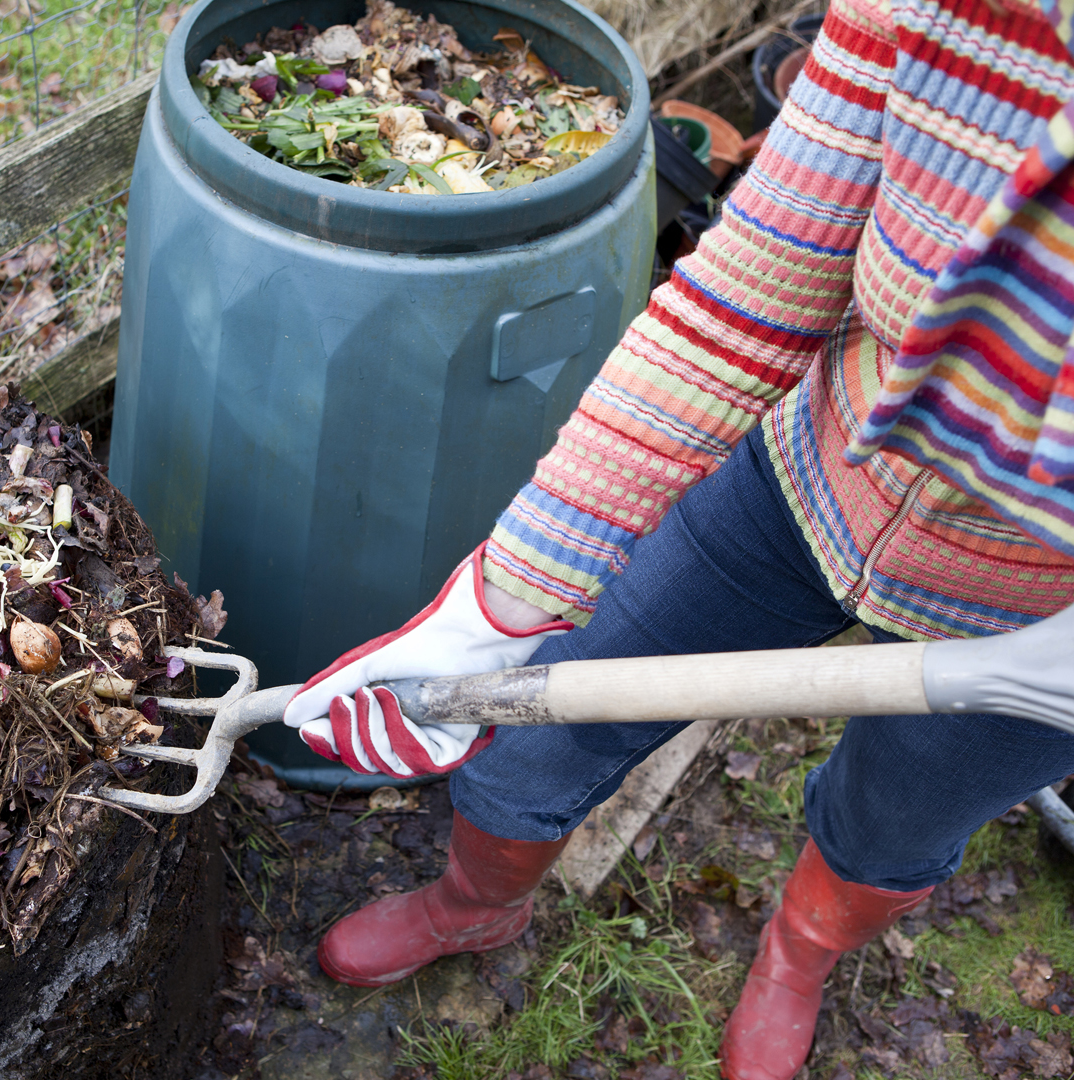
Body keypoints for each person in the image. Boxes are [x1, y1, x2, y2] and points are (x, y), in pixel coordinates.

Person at [281, 0, 1074, 1077]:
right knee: (542, 733)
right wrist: (498, 603)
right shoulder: (955, 16)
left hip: (1042, 622)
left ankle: (796, 959)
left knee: (893, 828)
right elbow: (747, 297)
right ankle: (475, 907)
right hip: (808, 482)